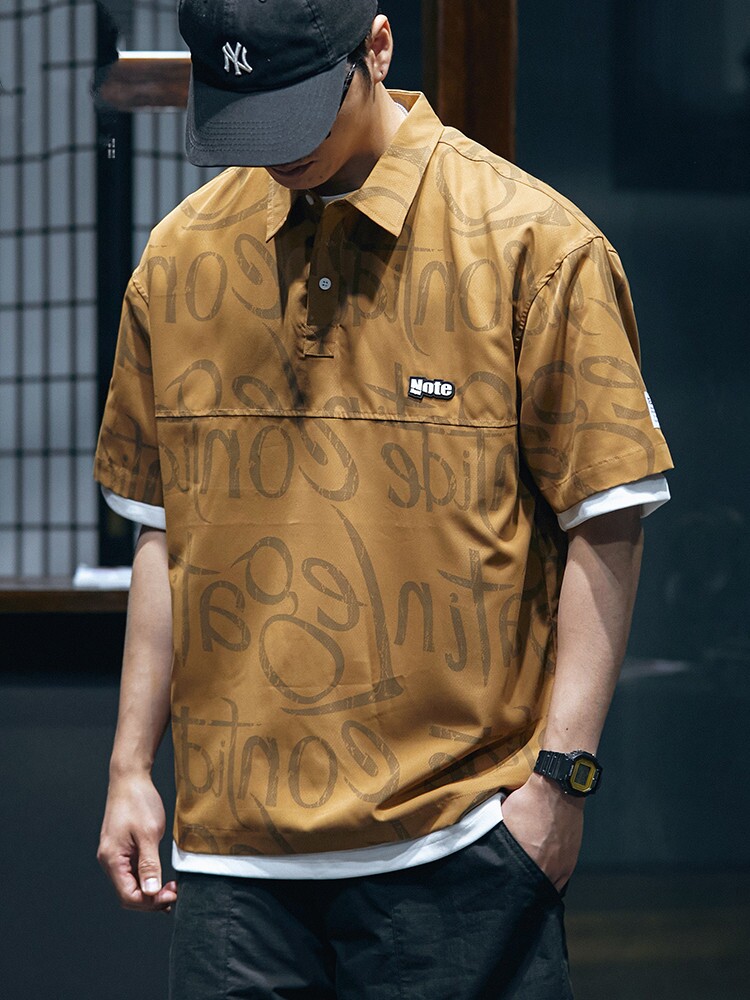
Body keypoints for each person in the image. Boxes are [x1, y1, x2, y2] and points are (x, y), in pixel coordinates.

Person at [94, 1, 673, 996]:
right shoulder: (180, 258)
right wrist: (128, 769)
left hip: (459, 849)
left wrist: (561, 784)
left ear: (378, 47)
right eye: (244, 117)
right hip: (231, 863)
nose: (277, 151)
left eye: (299, 112)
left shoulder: (533, 244)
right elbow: (163, 535)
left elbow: (607, 515)